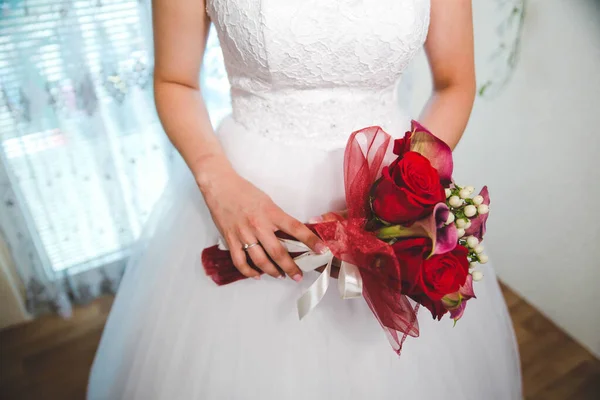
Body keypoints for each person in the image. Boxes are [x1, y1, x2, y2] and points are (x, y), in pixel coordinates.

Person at [88, 0, 522, 398]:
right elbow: (175, 80)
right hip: (249, 191)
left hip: (388, 184)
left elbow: (454, 84)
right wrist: (219, 185)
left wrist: (404, 195)